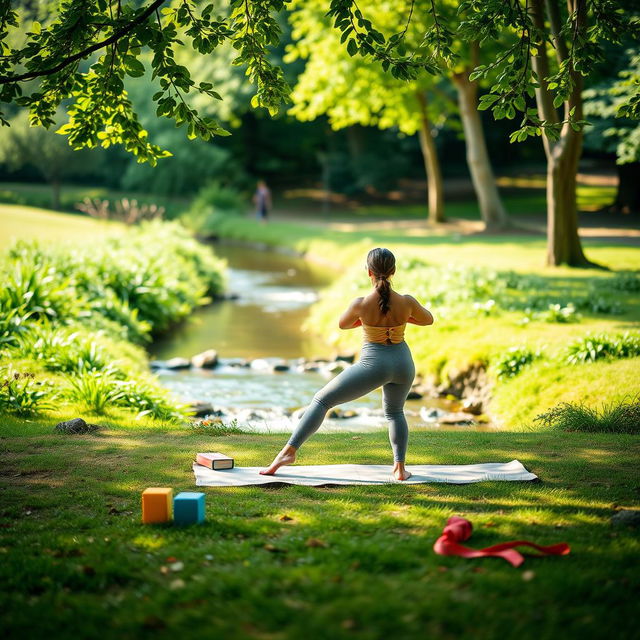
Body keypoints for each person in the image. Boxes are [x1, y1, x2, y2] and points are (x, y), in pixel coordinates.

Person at [261, 247, 434, 481]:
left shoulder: (361, 304)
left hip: (374, 365)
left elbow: (343, 324)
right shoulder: (407, 301)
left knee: (322, 400)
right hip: (403, 363)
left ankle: (288, 453)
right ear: (393, 271)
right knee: (395, 412)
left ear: (368, 272)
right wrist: (404, 318)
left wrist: (367, 323)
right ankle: (400, 468)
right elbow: (427, 320)